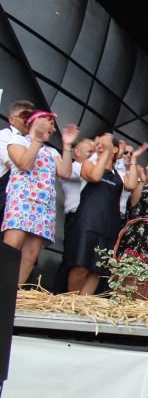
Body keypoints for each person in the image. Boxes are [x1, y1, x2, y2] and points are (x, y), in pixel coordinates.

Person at [2, 110, 77, 285]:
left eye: (52, 125)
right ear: (34, 122)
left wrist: (67, 146)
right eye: (48, 122)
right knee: (11, 247)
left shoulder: (51, 151)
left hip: (44, 206)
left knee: (31, 255)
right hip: (21, 200)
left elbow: (65, 172)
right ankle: (2, 290)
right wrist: (37, 138)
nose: (52, 127)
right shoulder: (17, 141)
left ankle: (14, 293)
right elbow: (24, 164)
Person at [67, 135, 147, 295]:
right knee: (80, 266)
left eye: (105, 144)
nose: (100, 146)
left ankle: (83, 303)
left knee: (97, 270)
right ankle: (70, 301)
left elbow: (132, 185)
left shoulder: (119, 174)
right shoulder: (89, 164)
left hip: (109, 225)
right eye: (99, 144)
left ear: (115, 149)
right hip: (87, 222)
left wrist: (133, 160)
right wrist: (105, 153)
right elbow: (95, 176)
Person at [54, 138, 95, 292]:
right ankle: (59, 294)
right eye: (90, 151)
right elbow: (86, 174)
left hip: (90, 218)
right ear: (77, 152)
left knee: (87, 262)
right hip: (76, 216)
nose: (94, 155)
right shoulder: (73, 167)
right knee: (71, 259)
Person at [0, 100, 36, 217]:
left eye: (32, 117)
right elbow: (12, 164)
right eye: (24, 116)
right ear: (12, 120)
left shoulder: (33, 141)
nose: (28, 121)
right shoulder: (5, 135)